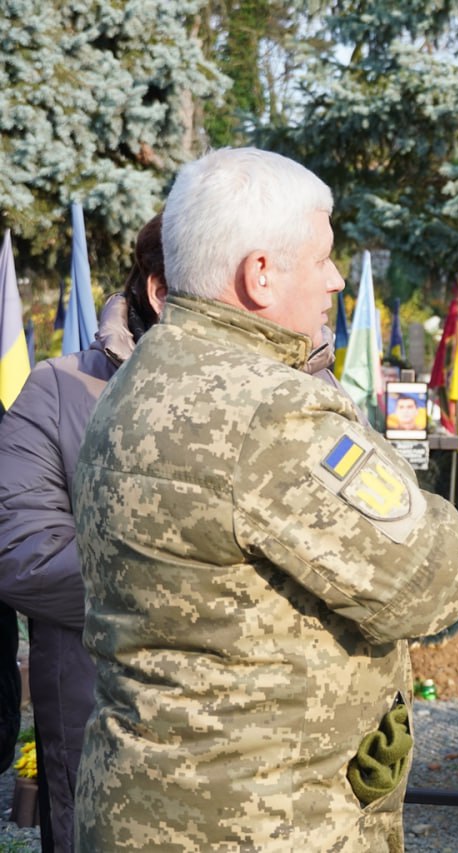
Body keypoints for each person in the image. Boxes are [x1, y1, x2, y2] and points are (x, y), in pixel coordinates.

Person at [71, 147, 458, 851]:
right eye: (322, 256)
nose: (334, 278)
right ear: (260, 274)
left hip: (147, 803)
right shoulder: (269, 411)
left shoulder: (149, 371)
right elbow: (433, 582)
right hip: (264, 820)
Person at [0, 212, 168, 853]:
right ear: (159, 292)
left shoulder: (304, 386)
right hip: (107, 733)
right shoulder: (59, 390)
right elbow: (26, 558)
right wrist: (199, 593)